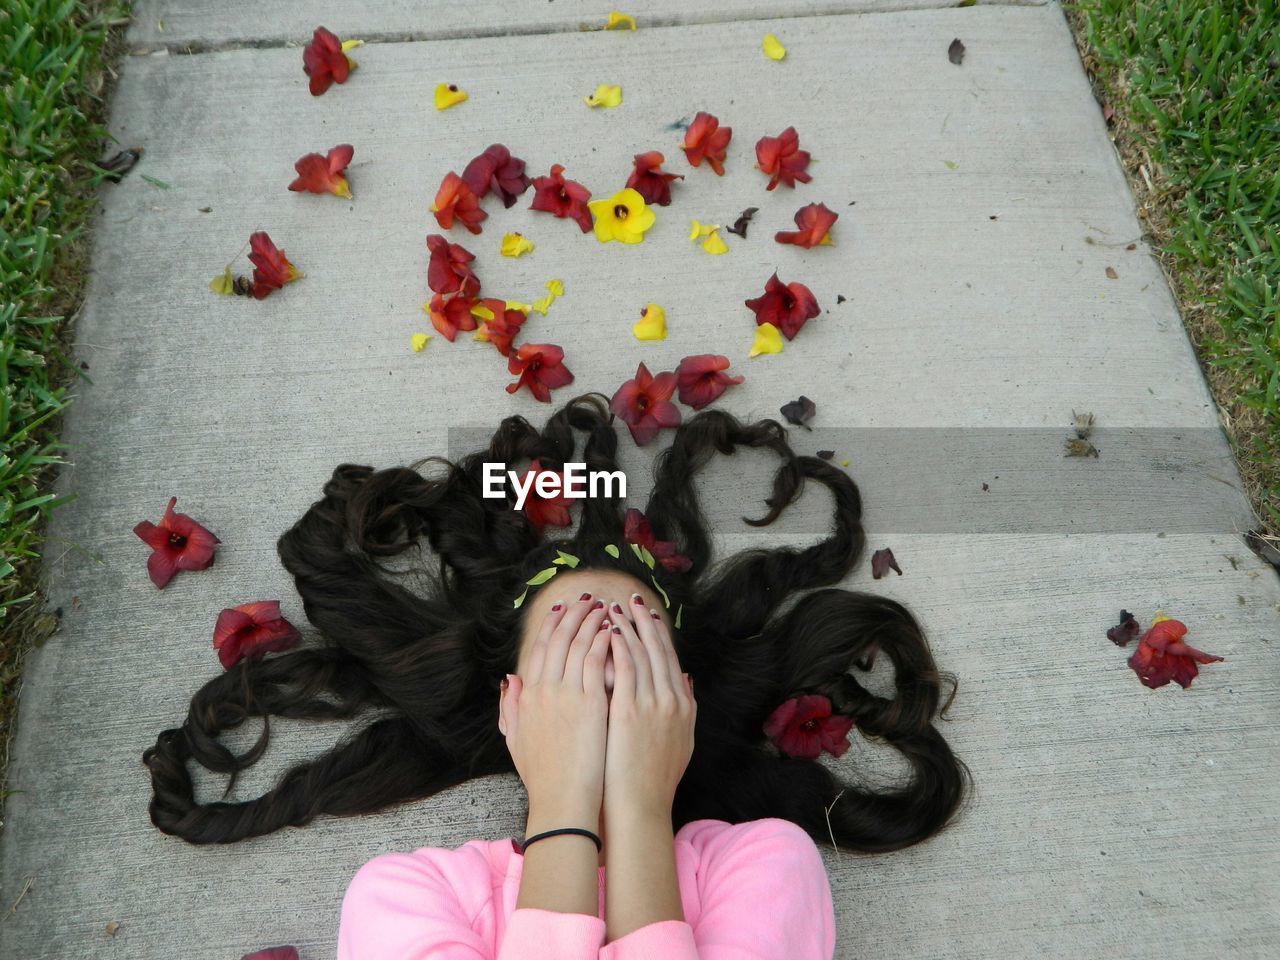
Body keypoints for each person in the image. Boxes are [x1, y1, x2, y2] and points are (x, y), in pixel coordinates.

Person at [142, 393, 969, 958]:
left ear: (682, 702)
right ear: (513, 706)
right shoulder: (400, 897)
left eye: (635, 647)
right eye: (572, 647)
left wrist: (636, 806)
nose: (604, 664)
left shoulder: (767, 866)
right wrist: (576, 801)